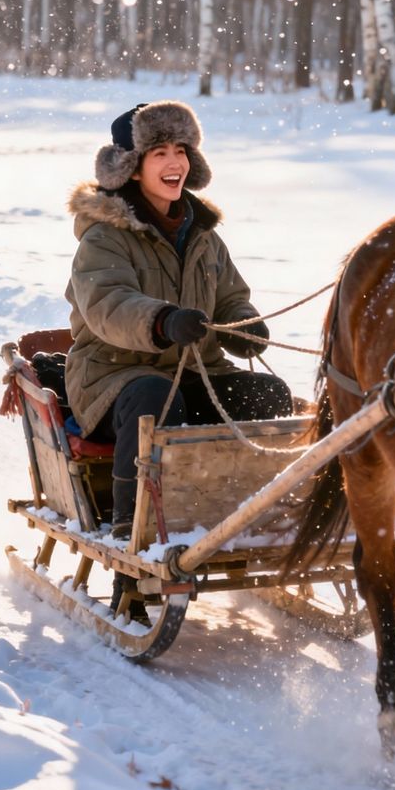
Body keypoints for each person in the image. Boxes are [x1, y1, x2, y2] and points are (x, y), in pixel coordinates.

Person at [65, 100, 293, 563]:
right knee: (157, 399)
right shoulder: (103, 236)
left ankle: (246, 514)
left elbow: (230, 295)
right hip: (114, 376)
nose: (175, 163)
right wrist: (163, 319)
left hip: (195, 368)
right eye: (159, 153)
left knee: (267, 395)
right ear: (131, 169)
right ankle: (134, 528)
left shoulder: (203, 232)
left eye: (181, 150)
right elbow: (108, 305)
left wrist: (242, 326)